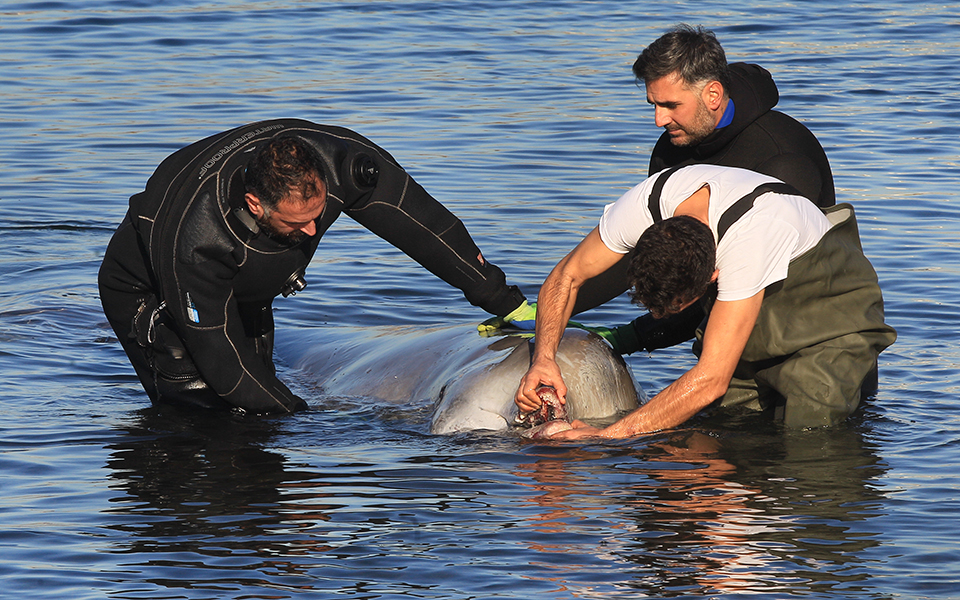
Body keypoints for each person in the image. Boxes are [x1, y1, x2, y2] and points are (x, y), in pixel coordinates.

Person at [99, 119, 534, 415]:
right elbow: (224, 365)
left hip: (248, 283)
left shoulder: (341, 162)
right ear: (255, 204)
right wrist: (305, 421)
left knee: (263, 399)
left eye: (319, 214)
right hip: (151, 291)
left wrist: (505, 302)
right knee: (210, 413)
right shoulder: (196, 242)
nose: (312, 231)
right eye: (297, 222)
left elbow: (427, 230)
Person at [516, 164, 896, 438]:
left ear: (713, 276)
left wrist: (609, 436)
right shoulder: (644, 206)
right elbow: (566, 276)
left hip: (829, 323)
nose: (661, 318)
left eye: (675, 308)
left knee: (808, 436)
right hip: (757, 325)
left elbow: (711, 380)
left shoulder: (751, 240)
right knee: (719, 430)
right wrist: (544, 359)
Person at [574, 24, 838, 356]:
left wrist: (636, 336)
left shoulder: (783, 157)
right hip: (724, 324)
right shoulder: (671, 150)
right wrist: (553, 307)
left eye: (670, 105)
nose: (658, 120)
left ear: (712, 95)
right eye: (653, 105)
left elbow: (716, 278)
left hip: (814, 334)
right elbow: (661, 257)